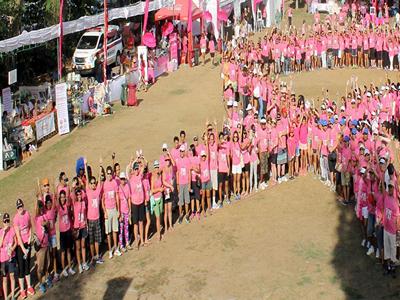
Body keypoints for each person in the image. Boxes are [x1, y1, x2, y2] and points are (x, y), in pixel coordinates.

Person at [13, 199, 34, 298]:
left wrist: (30, 237)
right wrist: (23, 249)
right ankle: (22, 290)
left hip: (27, 244)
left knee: (27, 265)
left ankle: (29, 286)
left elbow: (30, 226)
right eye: (18, 207)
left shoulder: (27, 214)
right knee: (21, 268)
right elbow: (18, 235)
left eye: (21, 206)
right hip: (20, 247)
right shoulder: (15, 219)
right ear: (16, 208)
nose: (20, 208)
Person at [85, 159, 104, 264]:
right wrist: (85, 164)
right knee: (91, 240)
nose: (93, 184)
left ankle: (97, 255)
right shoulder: (88, 191)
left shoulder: (97, 191)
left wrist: (100, 165)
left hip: (97, 218)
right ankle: (92, 257)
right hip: (90, 219)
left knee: (97, 239)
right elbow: (87, 179)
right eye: (91, 183)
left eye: (94, 183)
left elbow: (99, 179)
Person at [102, 166, 121, 258]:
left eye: (110, 173)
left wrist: (118, 209)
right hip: (108, 210)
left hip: (114, 209)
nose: (109, 175)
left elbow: (117, 196)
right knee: (108, 232)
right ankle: (110, 250)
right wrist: (104, 211)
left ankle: (116, 249)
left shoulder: (114, 183)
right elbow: (102, 199)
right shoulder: (104, 184)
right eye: (107, 173)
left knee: (115, 230)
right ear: (106, 174)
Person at [56, 190, 75, 277]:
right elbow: (55, 198)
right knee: (63, 252)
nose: (63, 198)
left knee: (68, 250)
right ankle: (64, 269)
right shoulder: (58, 206)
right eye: (61, 197)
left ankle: (70, 267)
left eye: (64, 197)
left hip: (68, 230)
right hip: (62, 232)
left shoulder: (67, 206)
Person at [383, 180, 399, 277]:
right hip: (386, 228)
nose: (390, 189)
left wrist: (397, 230)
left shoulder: (395, 203)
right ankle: (388, 267)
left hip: (392, 230)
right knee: (387, 248)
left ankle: (392, 268)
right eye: (389, 187)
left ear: (394, 189)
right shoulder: (386, 198)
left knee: (393, 250)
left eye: (391, 187)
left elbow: (397, 218)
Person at [33, 200, 50, 293]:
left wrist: (46, 222)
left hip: (46, 244)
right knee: (40, 268)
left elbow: (48, 224)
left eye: (41, 206)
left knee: (47, 264)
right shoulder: (36, 218)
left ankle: (47, 279)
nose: (41, 208)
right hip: (40, 247)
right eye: (39, 206)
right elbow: (45, 223)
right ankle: (41, 284)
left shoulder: (44, 215)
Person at [128, 160, 145, 249]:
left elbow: (144, 165)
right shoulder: (131, 179)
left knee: (141, 223)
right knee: (135, 224)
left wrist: (139, 159)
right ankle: (136, 242)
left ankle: (142, 240)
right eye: (135, 169)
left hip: (141, 202)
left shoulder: (140, 176)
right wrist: (132, 162)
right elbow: (127, 171)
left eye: (137, 169)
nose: (137, 170)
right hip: (134, 203)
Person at [72, 188, 89, 273]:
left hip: (83, 226)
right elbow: (71, 195)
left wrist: (86, 224)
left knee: (83, 246)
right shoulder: (74, 203)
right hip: (77, 228)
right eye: (77, 195)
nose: (79, 196)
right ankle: (79, 265)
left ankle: (84, 262)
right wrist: (73, 187)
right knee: (78, 247)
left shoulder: (83, 203)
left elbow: (85, 215)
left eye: (80, 194)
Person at [0, 213, 16, 299]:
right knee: (5, 279)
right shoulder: (0, 231)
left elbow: (16, 242)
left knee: (12, 276)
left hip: (11, 257)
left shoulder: (12, 230)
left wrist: (12, 249)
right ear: (3, 222)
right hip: (3, 259)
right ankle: (6, 298)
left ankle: (13, 295)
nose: (6, 222)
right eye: (5, 221)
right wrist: (3, 233)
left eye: (8, 221)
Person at [176, 144, 192, 224]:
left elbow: (189, 172)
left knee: (187, 201)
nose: (181, 152)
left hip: (186, 183)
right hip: (181, 184)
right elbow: (177, 172)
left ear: (184, 151)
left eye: (182, 151)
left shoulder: (187, 160)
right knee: (180, 201)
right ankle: (180, 215)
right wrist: (177, 184)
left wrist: (189, 184)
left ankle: (187, 215)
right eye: (180, 151)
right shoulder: (178, 160)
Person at [162, 151, 175, 232]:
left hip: (170, 191)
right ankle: (166, 226)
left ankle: (170, 225)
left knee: (170, 209)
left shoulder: (171, 168)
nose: (167, 161)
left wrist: (170, 154)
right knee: (166, 210)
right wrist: (170, 186)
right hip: (166, 192)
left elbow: (174, 163)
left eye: (168, 160)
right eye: (166, 160)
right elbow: (163, 181)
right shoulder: (164, 169)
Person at [118, 172, 132, 251]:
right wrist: (119, 213)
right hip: (121, 211)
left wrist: (129, 210)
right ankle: (121, 245)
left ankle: (127, 243)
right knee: (121, 229)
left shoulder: (127, 186)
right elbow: (118, 201)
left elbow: (129, 198)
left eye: (123, 179)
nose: (122, 180)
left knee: (126, 228)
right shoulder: (119, 188)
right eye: (121, 179)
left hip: (126, 210)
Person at [151, 161, 164, 241]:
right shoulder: (153, 177)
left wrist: (162, 187)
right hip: (155, 199)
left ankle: (160, 228)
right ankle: (158, 234)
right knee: (158, 217)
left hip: (160, 198)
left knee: (160, 214)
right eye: (155, 167)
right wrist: (159, 189)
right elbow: (152, 190)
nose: (157, 168)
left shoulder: (160, 175)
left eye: (157, 167)